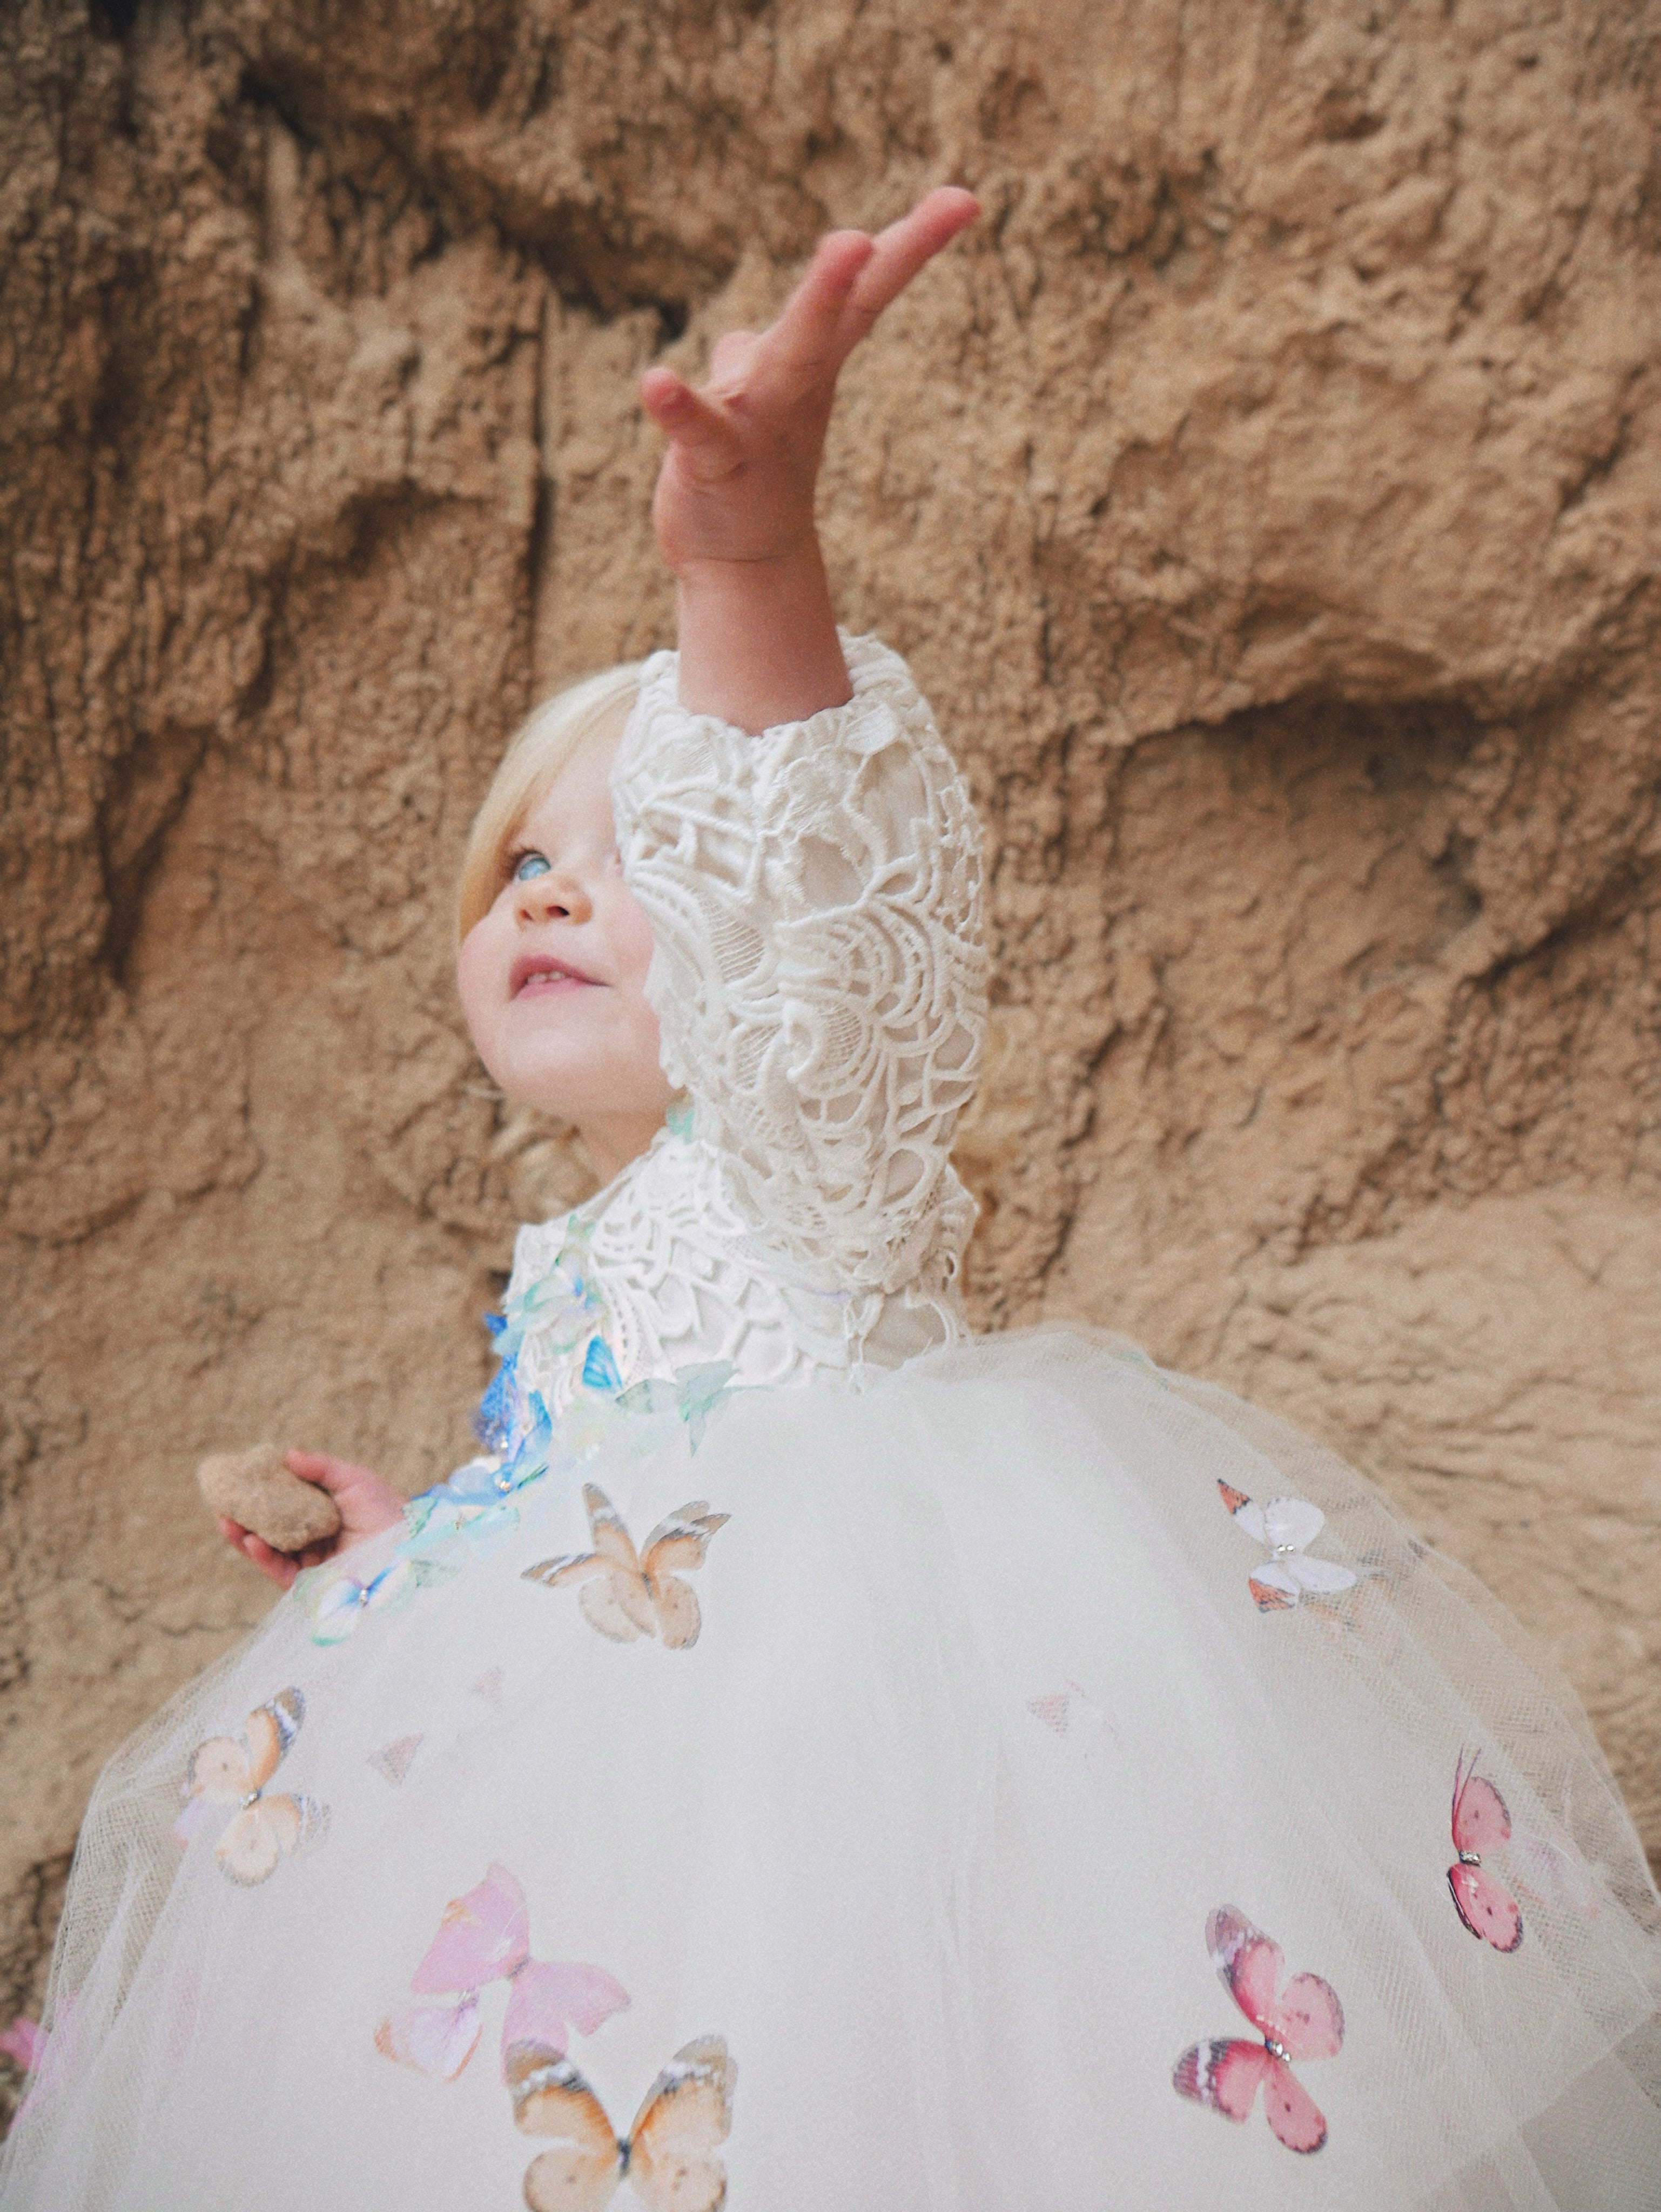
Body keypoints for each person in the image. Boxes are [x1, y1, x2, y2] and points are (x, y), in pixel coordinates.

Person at [3, 190, 1658, 2212]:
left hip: (857, 1832)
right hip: (645, 1867)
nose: (549, 890)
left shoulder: (803, 1143)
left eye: (635, 852)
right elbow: (615, 1552)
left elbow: (806, 871)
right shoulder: (572, 1263)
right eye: (518, 861)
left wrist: (747, 560)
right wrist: (420, 1559)